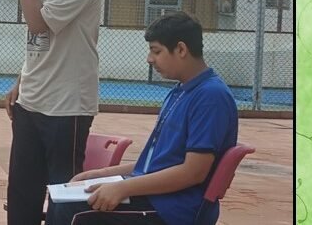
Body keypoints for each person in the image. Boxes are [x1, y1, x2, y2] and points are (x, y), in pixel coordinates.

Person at [51, 12, 238, 225]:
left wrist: (123, 188)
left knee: (71, 210)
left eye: (156, 51)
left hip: (173, 209)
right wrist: (100, 174)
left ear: (181, 49)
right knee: (61, 198)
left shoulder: (210, 97)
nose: (150, 59)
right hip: (155, 197)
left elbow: (193, 172)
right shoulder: (181, 91)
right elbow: (153, 164)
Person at [4, 0, 104, 224]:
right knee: (22, 195)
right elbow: (38, 39)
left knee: (63, 199)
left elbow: (38, 23)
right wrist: (21, 81)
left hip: (65, 106)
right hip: (32, 101)